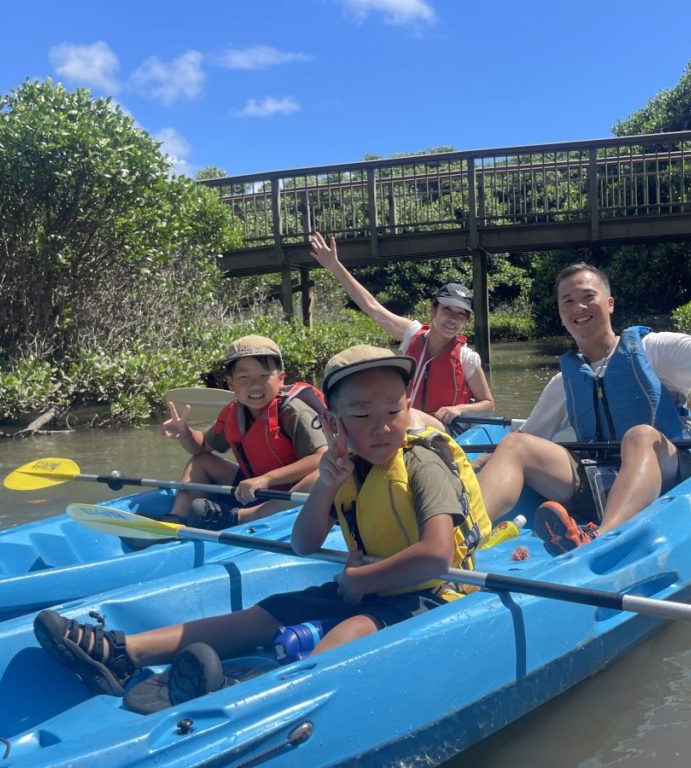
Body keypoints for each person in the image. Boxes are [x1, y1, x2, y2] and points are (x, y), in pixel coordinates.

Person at [33, 345, 491, 705]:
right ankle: (123, 650)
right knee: (263, 614)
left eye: (393, 411)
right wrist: (326, 486)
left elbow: (437, 555)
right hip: (365, 582)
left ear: (407, 407)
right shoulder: (344, 466)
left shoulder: (421, 463)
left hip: (432, 593)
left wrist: (358, 579)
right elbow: (303, 543)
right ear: (333, 422)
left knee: (349, 634)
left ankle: (247, 695)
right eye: (362, 414)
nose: (381, 426)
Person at [477, 260, 691, 555]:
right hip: (601, 479)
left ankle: (601, 540)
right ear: (561, 314)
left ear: (609, 304)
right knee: (515, 444)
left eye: (588, 297)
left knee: (639, 436)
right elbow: (524, 440)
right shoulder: (564, 382)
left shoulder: (655, 350)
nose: (579, 308)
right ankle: (465, 535)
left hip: (667, 470)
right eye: (568, 301)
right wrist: (469, 464)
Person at [308, 231, 496, 425]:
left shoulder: (467, 358)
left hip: (442, 430)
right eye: (447, 310)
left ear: (465, 321)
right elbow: (372, 306)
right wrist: (335, 266)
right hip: (404, 425)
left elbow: (488, 404)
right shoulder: (411, 333)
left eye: (460, 314)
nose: (452, 319)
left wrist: (458, 409)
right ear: (433, 310)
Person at [161, 335, 327, 530]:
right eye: (244, 377)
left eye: (264, 376)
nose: (255, 385)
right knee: (202, 462)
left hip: (295, 490)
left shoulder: (294, 412)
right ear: (231, 384)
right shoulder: (234, 411)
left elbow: (322, 457)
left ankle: (243, 517)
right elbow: (202, 446)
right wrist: (186, 433)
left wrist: (267, 479)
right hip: (256, 486)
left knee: (323, 475)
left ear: (281, 378)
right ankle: (177, 518)